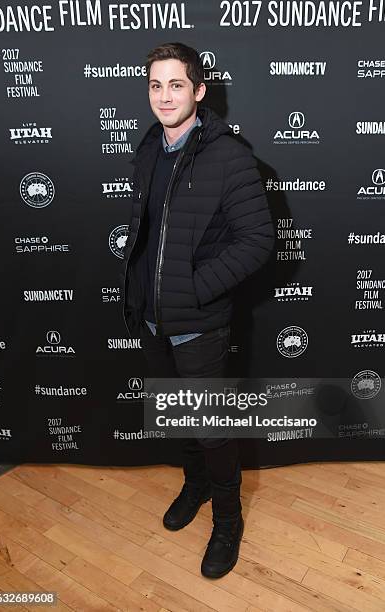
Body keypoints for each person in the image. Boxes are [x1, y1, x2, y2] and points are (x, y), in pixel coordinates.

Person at [120, 42, 274, 579]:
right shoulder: (146, 149)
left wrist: (194, 287)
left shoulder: (229, 155)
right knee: (178, 418)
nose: (165, 96)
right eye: (155, 85)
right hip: (152, 317)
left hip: (199, 323)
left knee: (211, 426)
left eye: (176, 85)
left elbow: (258, 240)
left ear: (199, 91)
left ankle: (228, 521)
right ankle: (196, 484)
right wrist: (141, 291)